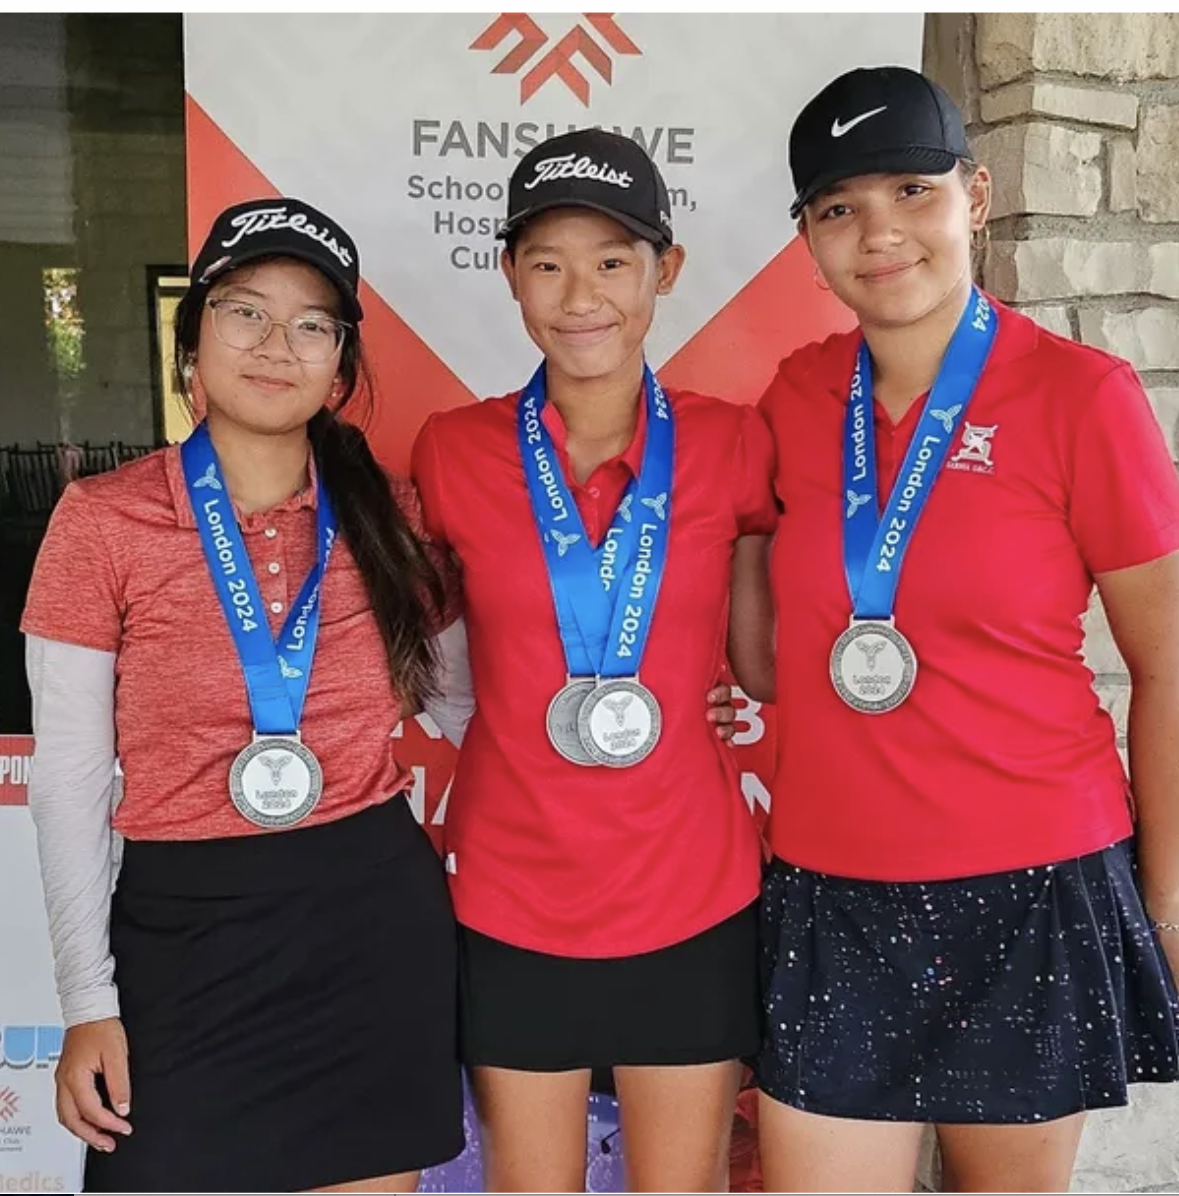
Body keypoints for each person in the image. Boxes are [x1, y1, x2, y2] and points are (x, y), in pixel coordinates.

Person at [745, 66, 1179, 1193]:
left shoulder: (1080, 394)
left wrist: (1169, 901)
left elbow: (1173, 666)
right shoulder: (792, 398)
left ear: (977, 194)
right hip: (831, 886)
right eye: (839, 208)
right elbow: (763, 655)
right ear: (807, 237)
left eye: (912, 192)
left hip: (1034, 883)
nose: (879, 233)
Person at [20, 197, 469, 1193]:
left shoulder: (391, 518)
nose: (276, 345)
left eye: (312, 324)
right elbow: (67, 779)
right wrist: (87, 1000)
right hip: (181, 937)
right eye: (246, 312)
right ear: (191, 343)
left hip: (369, 926)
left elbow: (471, 704)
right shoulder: (100, 522)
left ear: (340, 368)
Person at [409, 128, 777, 1193]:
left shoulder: (732, 443)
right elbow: (433, 665)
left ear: (665, 269)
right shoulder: (453, 449)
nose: (581, 297)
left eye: (613, 261)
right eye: (548, 264)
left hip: (691, 888)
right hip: (512, 893)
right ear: (508, 274)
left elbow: (762, 664)